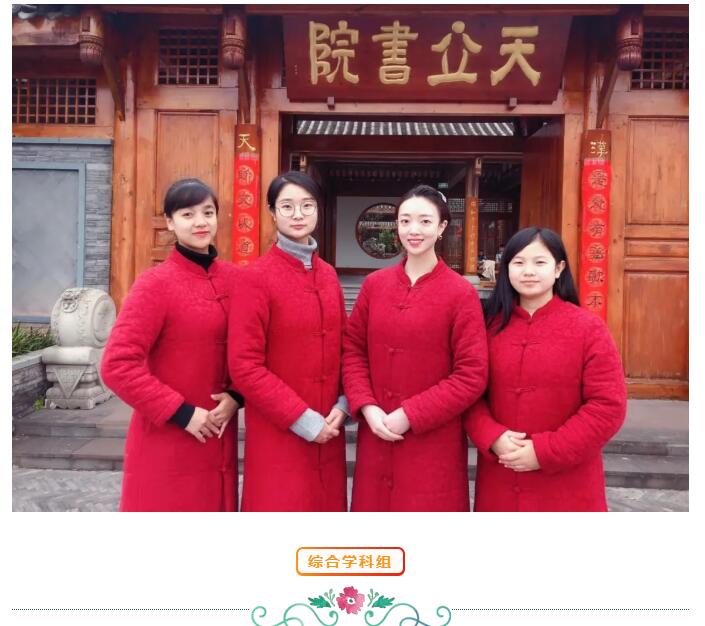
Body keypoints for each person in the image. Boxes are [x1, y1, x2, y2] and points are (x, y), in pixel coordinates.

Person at [343, 185, 488, 512]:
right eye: (405, 220)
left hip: (433, 440)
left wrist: (412, 414)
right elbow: (353, 350)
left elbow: (472, 374)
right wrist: (366, 406)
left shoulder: (460, 293)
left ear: (442, 227)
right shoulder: (375, 285)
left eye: (425, 221)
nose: (413, 230)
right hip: (376, 431)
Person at [101, 178, 242, 511]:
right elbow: (117, 365)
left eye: (208, 212)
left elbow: (252, 350)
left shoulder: (236, 280)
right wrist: (182, 412)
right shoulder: (155, 284)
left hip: (219, 437)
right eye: (187, 214)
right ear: (169, 222)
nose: (200, 222)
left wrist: (237, 396)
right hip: (167, 440)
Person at [464, 227, 627, 511]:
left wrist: (546, 451)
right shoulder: (487, 327)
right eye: (518, 262)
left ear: (559, 268)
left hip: (567, 482)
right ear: (506, 269)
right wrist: (491, 436)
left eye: (540, 262)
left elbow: (608, 406)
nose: (528, 271)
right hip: (501, 475)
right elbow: (469, 391)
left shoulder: (588, 329)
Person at [227, 171, 347, 511]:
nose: (298, 214)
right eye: (287, 206)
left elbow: (346, 346)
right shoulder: (255, 278)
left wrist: (344, 404)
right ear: (272, 212)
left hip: (330, 426)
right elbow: (244, 365)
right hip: (279, 431)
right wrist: (301, 418)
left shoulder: (328, 275)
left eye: (307, 205)